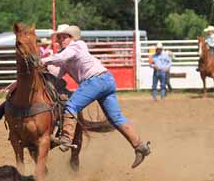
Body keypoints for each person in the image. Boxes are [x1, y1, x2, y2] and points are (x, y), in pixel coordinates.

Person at [40, 24, 150, 159]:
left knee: (71, 106)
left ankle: (66, 138)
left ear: (72, 37)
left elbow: (62, 57)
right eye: (60, 37)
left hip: (95, 81)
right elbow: (56, 73)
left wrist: (41, 60)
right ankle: (140, 146)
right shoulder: (66, 58)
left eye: (65, 36)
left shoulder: (77, 45)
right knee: (116, 118)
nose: (61, 39)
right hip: (106, 81)